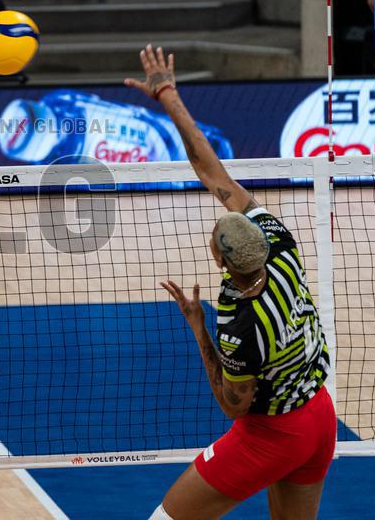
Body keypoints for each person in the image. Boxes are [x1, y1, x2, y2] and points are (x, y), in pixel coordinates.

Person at [126, 46, 335, 520]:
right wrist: (168, 95)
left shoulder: (240, 323)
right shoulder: (278, 244)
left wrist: (200, 330)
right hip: (319, 416)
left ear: (219, 258)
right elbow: (211, 170)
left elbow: (234, 406)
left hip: (272, 435)